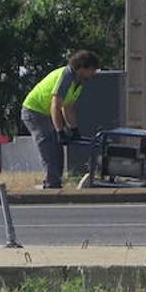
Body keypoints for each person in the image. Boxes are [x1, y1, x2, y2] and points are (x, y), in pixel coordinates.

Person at [21, 51, 101, 189]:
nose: (93, 74)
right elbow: (55, 104)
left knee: (57, 147)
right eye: (91, 70)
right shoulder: (67, 76)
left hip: (46, 112)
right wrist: (60, 131)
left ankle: (55, 182)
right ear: (82, 68)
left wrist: (73, 128)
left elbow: (68, 106)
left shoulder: (78, 82)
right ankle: (51, 183)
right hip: (34, 111)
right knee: (49, 144)